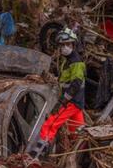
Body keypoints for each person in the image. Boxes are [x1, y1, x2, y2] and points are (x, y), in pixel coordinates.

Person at [32, 27, 86, 157]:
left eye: (67, 44)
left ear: (73, 44)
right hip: (76, 103)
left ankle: (36, 157)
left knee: (50, 124)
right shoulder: (66, 61)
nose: (64, 48)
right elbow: (65, 81)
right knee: (78, 132)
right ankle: (80, 156)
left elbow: (76, 84)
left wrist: (63, 100)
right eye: (62, 45)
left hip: (71, 101)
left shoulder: (76, 62)